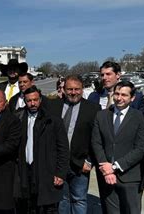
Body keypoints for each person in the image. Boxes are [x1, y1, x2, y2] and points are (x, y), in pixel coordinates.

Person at [91, 81, 144, 214]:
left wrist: (115, 166)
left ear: (132, 98)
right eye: (116, 94)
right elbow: (96, 143)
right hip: (106, 176)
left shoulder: (139, 117)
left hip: (130, 177)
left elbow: (140, 149)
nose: (119, 98)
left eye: (124, 95)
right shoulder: (102, 115)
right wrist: (106, 167)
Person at [47, 75, 100, 214]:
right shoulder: (53, 106)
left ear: (82, 90)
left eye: (77, 89)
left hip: (80, 164)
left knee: (79, 199)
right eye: (69, 89)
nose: (73, 92)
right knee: (62, 199)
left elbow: (96, 138)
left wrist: (90, 161)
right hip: (58, 164)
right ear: (63, 90)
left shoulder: (93, 109)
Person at [14, 86, 69, 213]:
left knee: (47, 208)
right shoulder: (18, 118)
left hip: (45, 170)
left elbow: (63, 149)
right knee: (26, 206)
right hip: (24, 170)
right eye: (29, 101)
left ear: (40, 100)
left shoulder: (52, 120)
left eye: (35, 100)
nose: (32, 103)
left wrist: (60, 173)